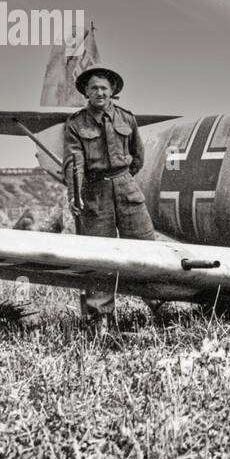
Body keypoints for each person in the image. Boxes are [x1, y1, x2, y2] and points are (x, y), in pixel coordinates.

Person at [63, 65, 155, 330]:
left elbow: (138, 157)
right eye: (94, 88)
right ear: (86, 92)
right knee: (98, 255)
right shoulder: (76, 124)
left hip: (126, 187)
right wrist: (76, 193)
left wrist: (122, 178)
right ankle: (99, 317)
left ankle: (157, 303)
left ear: (112, 91)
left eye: (104, 88)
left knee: (146, 247)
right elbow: (74, 162)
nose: (99, 92)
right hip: (95, 193)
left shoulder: (127, 118)